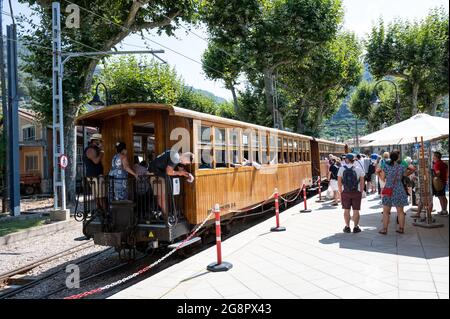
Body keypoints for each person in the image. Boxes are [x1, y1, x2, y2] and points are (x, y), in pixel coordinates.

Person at [148, 150, 193, 216]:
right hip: (155, 175)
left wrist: (188, 174)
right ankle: (166, 217)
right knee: (161, 197)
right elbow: (169, 172)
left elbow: (181, 170)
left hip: (157, 174)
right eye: (187, 163)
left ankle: (164, 215)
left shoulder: (176, 155)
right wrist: (179, 173)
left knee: (161, 197)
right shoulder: (176, 157)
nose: (185, 164)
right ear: (186, 157)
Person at [378, 150, 413, 235]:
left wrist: (378, 174)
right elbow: (411, 170)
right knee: (400, 211)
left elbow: (382, 179)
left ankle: (384, 229)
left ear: (390, 157)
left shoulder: (385, 166)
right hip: (399, 188)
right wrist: (407, 174)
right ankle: (401, 228)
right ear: (397, 158)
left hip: (388, 188)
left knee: (386, 211)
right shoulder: (401, 167)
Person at [338, 153, 365, 233]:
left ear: (347, 160)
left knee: (346, 210)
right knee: (356, 210)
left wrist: (340, 191)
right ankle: (356, 227)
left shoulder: (341, 169)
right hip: (356, 192)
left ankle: (347, 227)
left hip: (345, 192)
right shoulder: (359, 169)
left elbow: (339, 182)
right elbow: (362, 182)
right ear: (354, 160)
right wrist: (361, 191)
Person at [82, 133, 105, 209]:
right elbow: (96, 161)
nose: (101, 143)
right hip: (95, 176)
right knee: (101, 196)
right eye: (100, 141)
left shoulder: (92, 149)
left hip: (95, 176)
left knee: (98, 196)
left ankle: (100, 212)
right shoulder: (91, 149)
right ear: (95, 141)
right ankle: (105, 214)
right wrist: (101, 153)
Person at [431, 151, 448, 216]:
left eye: (433, 156)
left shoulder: (437, 164)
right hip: (443, 181)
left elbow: (438, 173)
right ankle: (444, 210)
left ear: (436, 157)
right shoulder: (442, 163)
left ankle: (444, 210)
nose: (433, 157)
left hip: (439, 182)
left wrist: (433, 174)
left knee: (441, 197)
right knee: (443, 197)